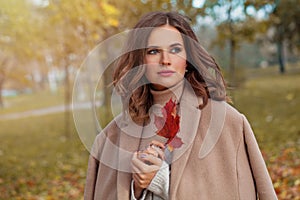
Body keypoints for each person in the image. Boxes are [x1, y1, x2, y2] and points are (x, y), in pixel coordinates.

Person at [84, 11, 277, 200]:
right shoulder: (109, 139)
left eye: (175, 49)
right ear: (139, 60)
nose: (165, 60)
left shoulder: (229, 123)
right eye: (153, 51)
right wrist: (137, 189)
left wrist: (160, 182)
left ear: (188, 59)